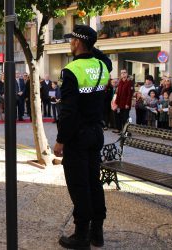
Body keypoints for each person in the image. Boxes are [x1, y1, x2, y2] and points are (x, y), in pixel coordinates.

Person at [53, 25, 111, 249]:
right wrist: (90, 47)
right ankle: (97, 232)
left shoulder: (71, 71)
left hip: (78, 136)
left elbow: (69, 112)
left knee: (79, 185)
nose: (70, 43)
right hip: (96, 132)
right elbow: (105, 58)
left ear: (77, 42)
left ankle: (81, 235)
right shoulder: (102, 66)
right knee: (93, 182)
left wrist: (61, 140)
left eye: (72, 40)